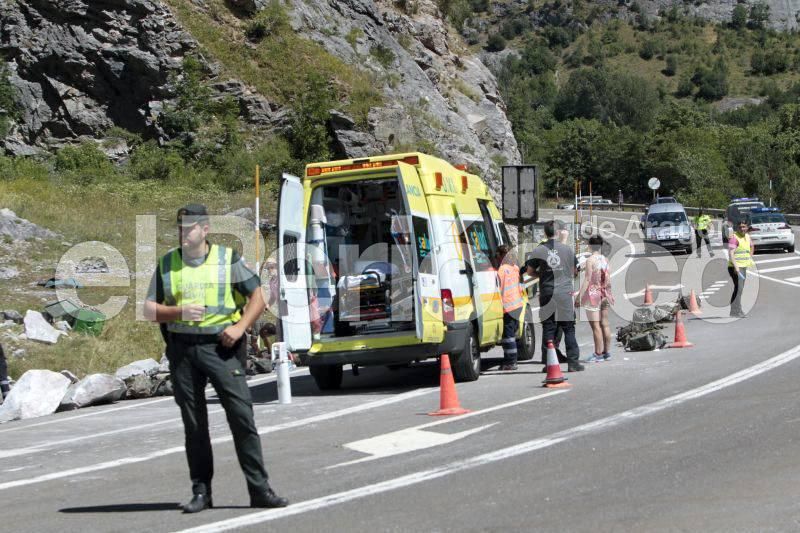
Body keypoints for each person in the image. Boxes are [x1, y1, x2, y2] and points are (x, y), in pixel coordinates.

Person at [144, 204, 288, 513]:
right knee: (194, 426)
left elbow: (259, 296)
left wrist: (239, 328)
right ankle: (201, 492)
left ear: (205, 229)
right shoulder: (167, 264)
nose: (184, 233)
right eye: (181, 228)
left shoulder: (227, 259)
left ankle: (259, 489)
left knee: (241, 418)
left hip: (221, 348)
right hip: (182, 350)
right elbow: (149, 310)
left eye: (190, 228)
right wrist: (178, 311)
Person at [525, 220, 584, 372]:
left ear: (545, 233)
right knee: (569, 328)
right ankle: (573, 362)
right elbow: (575, 272)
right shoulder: (567, 249)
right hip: (564, 292)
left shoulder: (539, 250)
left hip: (547, 292)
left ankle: (548, 362)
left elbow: (530, 271)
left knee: (548, 327)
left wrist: (543, 274)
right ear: (558, 233)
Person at [579, 235, 614, 362]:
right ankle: (607, 352)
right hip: (604, 293)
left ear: (590, 245)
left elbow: (587, 279)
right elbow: (608, 278)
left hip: (593, 295)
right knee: (605, 323)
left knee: (596, 326)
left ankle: (597, 353)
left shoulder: (590, 260)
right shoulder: (605, 259)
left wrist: (580, 297)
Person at [496, 245, 525, 371]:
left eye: (497, 255)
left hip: (508, 306)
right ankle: (511, 359)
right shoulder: (515, 268)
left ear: (502, 255)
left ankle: (511, 362)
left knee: (508, 336)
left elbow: (497, 289)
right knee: (512, 333)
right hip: (518, 304)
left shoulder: (501, 270)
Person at [727, 219, 754, 318]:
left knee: (739, 289)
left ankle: (734, 310)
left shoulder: (747, 236)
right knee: (739, 289)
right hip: (735, 268)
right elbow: (731, 253)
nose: (742, 228)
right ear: (737, 228)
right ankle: (736, 310)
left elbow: (752, 246)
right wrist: (736, 267)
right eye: (740, 227)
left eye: (744, 227)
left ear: (747, 227)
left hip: (743, 266)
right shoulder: (734, 238)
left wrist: (749, 257)